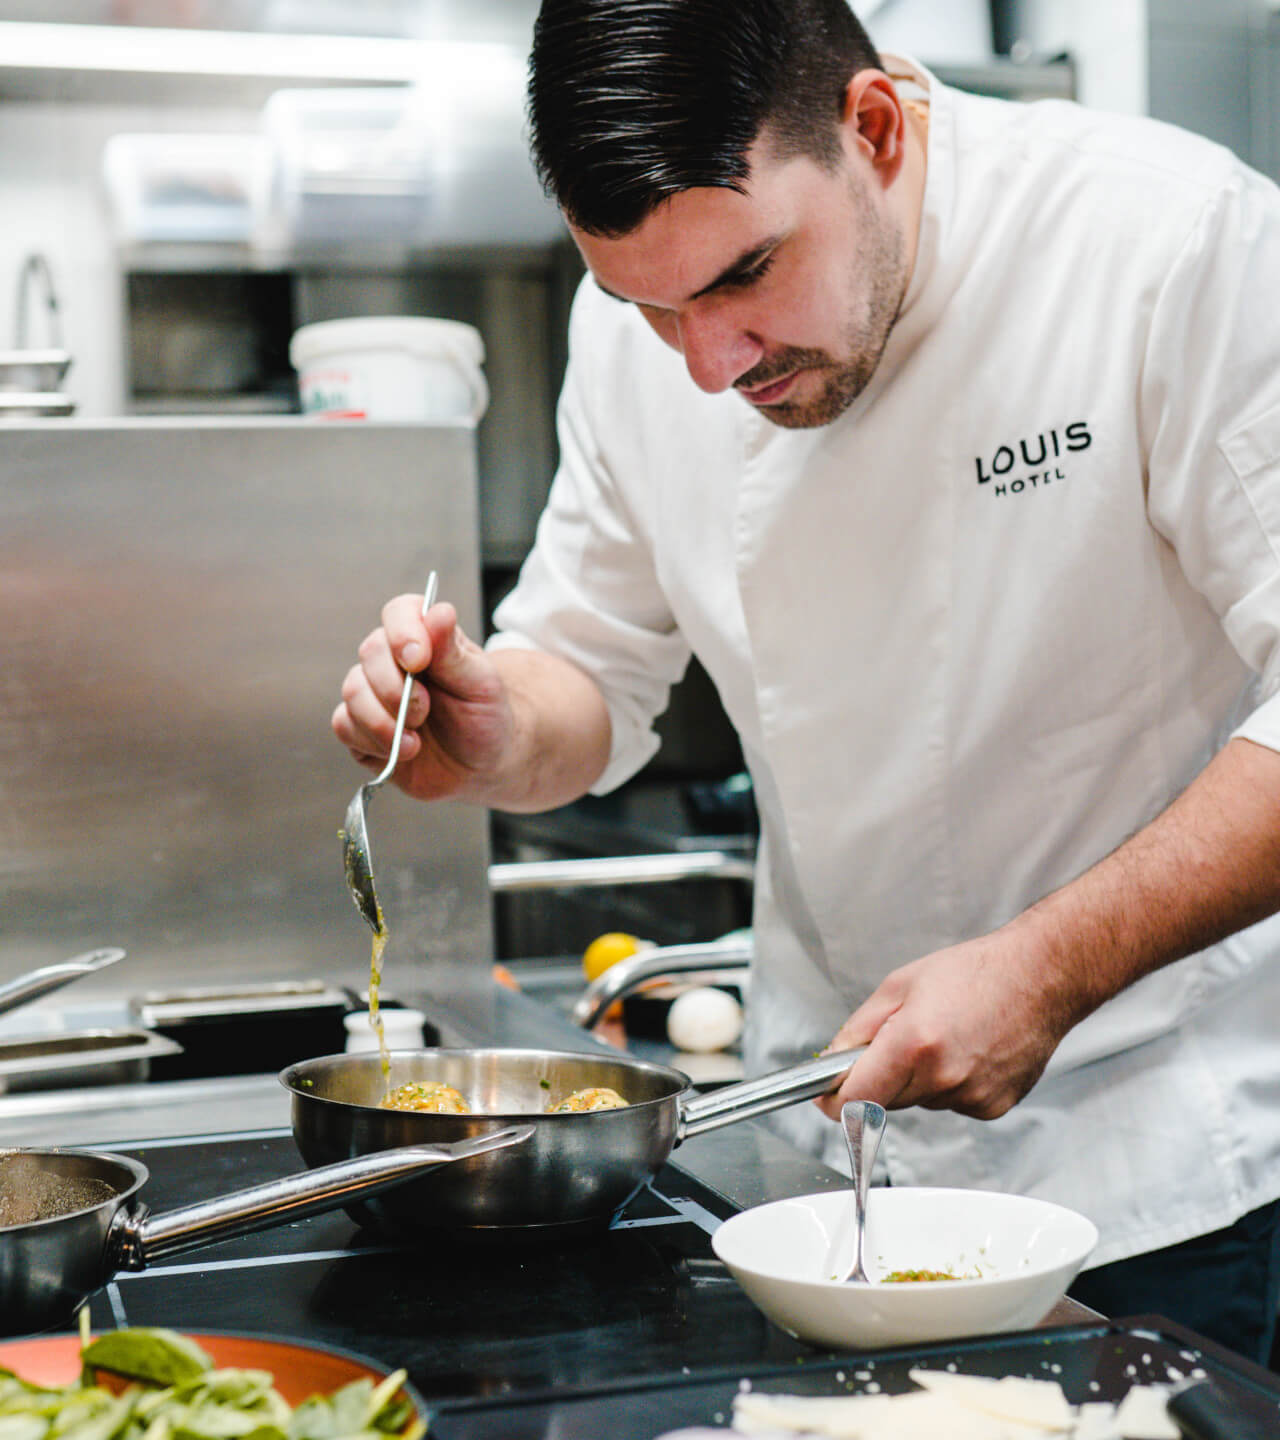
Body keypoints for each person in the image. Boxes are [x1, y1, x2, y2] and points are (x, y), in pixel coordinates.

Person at [333, 0, 1280, 1362]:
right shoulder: (654, 332)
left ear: (878, 130)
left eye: (743, 277)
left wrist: (1051, 966)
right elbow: (588, 670)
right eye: (647, 307)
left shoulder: (1165, 244)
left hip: (1150, 1177)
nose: (710, 363)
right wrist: (493, 725)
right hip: (814, 1173)